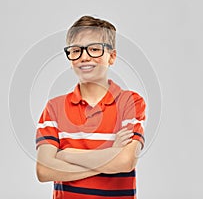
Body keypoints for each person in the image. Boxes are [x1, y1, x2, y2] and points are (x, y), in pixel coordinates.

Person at [35, 15, 146, 199]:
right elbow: (44, 170)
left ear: (112, 57)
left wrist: (66, 155)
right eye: (76, 50)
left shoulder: (130, 102)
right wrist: (111, 154)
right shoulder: (54, 108)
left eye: (94, 49)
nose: (84, 57)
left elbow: (126, 162)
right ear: (70, 58)